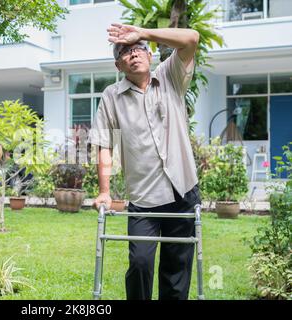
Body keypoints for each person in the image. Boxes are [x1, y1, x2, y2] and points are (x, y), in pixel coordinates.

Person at [88, 23, 202, 300]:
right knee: (140, 262)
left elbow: (192, 38)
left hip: (183, 192)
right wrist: (104, 191)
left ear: (150, 56)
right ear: (118, 65)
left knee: (177, 270)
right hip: (143, 199)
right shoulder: (111, 97)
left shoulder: (171, 76)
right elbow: (104, 144)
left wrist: (143, 32)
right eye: (125, 52)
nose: (134, 53)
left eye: (139, 49)